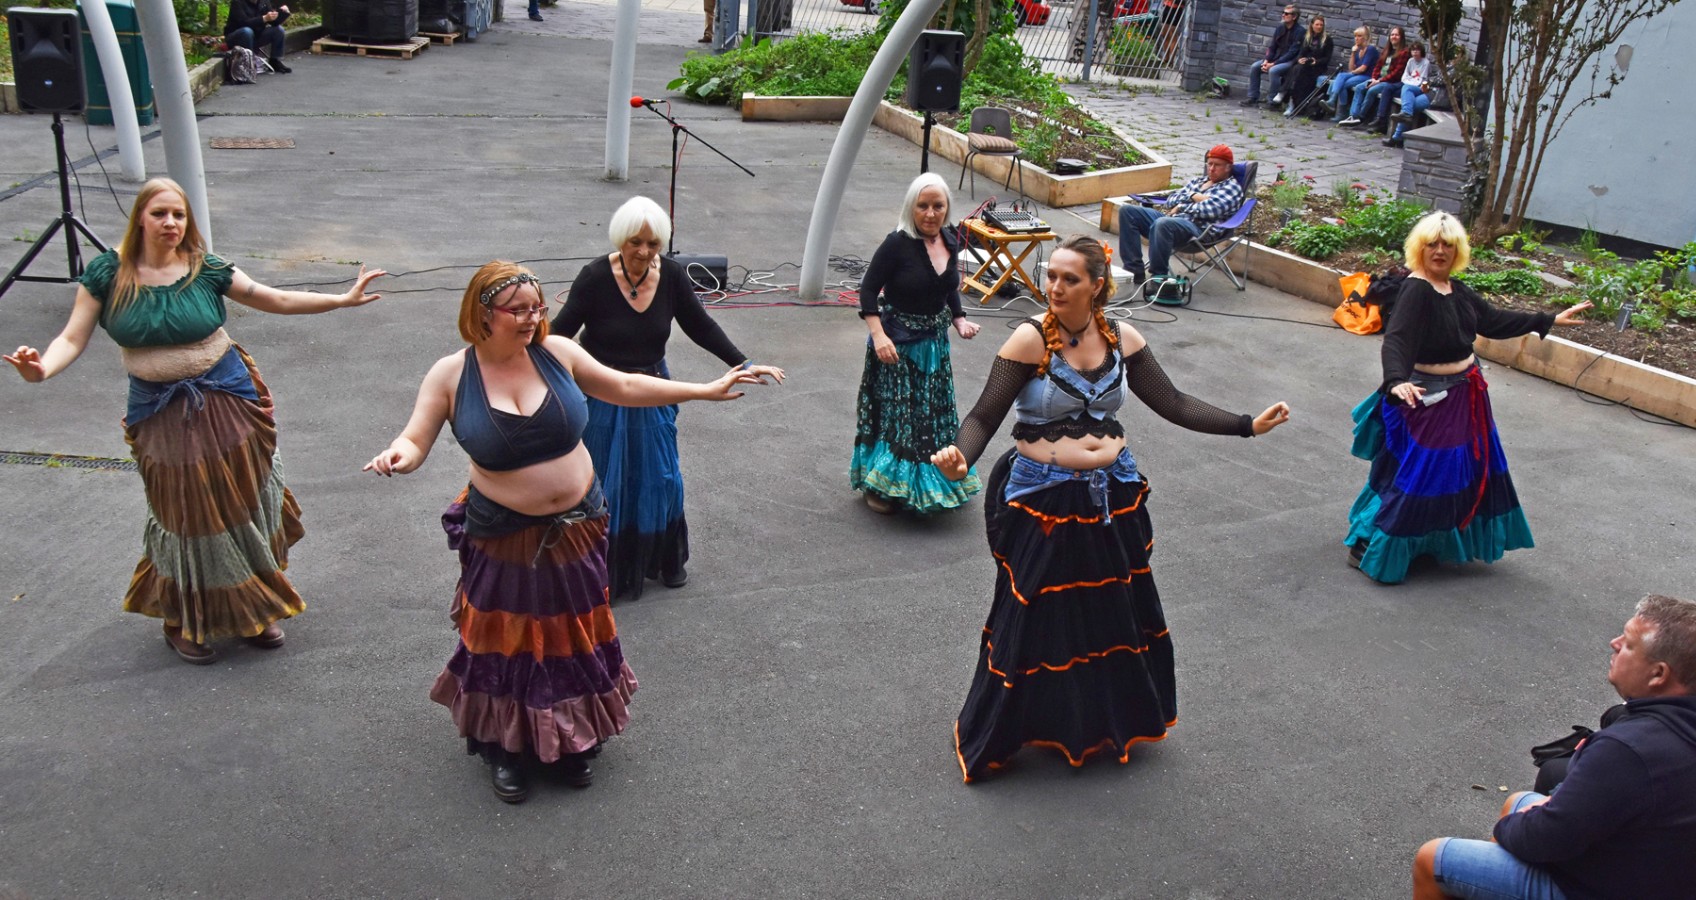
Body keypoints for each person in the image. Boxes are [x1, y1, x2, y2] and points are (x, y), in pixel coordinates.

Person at [365, 261, 769, 803]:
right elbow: (415, 439)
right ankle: (506, 748)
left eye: (537, 307)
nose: (532, 319)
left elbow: (624, 384)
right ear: (482, 314)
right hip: (505, 536)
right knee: (506, 642)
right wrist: (399, 455)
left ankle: (571, 737)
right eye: (517, 310)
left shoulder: (557, 353)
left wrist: (702, 390)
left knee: (572, 635)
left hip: (578, 526)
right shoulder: (451, 375)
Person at [931, 235, 1290, 783]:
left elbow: (1173, 402)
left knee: (1110, 613)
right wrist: (962, 458)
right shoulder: (1030, 339)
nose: (1054, 287)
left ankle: (1095, 723)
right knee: (1036, 616)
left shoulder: (1123, 338)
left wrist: (1246, 424)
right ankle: (1012, 726)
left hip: (1111, 494)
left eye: (1069, 279)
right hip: (1046, 497)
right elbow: (983, 417)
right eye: (1051, 276)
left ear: (1097, 286)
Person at [4, 177, 386, 664]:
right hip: (159, 410)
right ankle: (182, 618)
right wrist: (41, 370)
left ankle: (254, 607)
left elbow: (273, 298)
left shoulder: (205, 268)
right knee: (185, 515)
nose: (171, 223)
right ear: (140, 218)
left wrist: (340, 299)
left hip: (229, 397)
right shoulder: (108, 274)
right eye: (160, 213)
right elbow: (71, 338)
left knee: (243, 501)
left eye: (179, 215)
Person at [551, 197, 785, 601]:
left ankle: (660, 559)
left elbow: (701, 326)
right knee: (605, 479)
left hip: (654, 388)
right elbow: (558, 334)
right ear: (620, 239)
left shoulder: (672, 276)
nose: (644, 252)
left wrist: (744, 362)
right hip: (602, 392)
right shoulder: (594, 277)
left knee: (660, 478)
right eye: (635, 242)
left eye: (653, 244)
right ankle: (602, 567)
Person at [1343, 212, 1591, 584]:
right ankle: (1374, 542)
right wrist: (1396, 381)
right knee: (1422, 475)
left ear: (1457, 250)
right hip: (1426, 398)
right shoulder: (1416, 290)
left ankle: (1425, 541)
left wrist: (1547, 320)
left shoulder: (1455, 290)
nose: (1439, 251)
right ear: (1419, 248)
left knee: (1454, 473)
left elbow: (1493, 320)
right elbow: (1398, 340)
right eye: (1432, 244)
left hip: (1464, 395)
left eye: (1447, 245)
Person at [1413, 594, 1696, 900]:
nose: (1614, 644)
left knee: (1433, 858)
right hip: (1659, 873)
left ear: (1658, 674)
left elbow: (1546, 839)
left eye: (1628, 644)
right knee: (1518, 801)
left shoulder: (1627, 750)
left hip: (1607, 887)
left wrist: (1510, 827)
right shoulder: (1675, 729)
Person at [851, 173, 984, 515]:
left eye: (938, 206)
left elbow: (947, 286)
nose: (930, 213)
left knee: (932, 416)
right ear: (911, 207)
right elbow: (868, 290)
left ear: (947, 208)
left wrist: (959, 319)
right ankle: (882, 486)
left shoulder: (950, 239)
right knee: (900, 419)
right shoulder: (897, 244)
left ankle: (936, 475)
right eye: (923, 206)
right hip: (898, 347)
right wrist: (879, 335)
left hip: (934, 347)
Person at [1117, 144, 1244, 287]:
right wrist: (1193, 196)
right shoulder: (1197, 181)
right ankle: (1134, 270)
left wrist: (1181, 206)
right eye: (1210, 164)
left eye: (1217, 165)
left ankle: (1159, 279)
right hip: (1172, 222)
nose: (1212, 168)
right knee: (1127, 211)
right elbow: (1170, 200)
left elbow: (1210, 210)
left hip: (1198, 231)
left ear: (1228, 167)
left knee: (1163, 223)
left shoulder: (1232, 188)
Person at [1340, 26, 1408, 129]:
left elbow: (1397, 73)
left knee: (1371, 91)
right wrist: (1374, 78)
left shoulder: (1404, 52)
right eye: (1392, 34)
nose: (1394, 37)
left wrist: (1379, 81)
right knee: (1359, 87)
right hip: (1378, 79)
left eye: (1397, 35)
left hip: (1390, 82)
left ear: (1401, 37)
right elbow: (1377, 66)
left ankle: (1360, 117)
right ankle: (1353, 116)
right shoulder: (1387, 50)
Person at [1240, 4, 1302, 107]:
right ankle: (1252, 97)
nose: (1283, 15)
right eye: (1283, 13)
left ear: (1294, 17)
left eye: (1287, 14)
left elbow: (1292, 53)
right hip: (1277, 58)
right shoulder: (1280, 28)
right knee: (1255, 67)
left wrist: (1273, 64)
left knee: (1274, 70)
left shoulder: (1300, 32)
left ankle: (1272, 102)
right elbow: (1272, 47)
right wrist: (1266, 60)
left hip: (1290, 61)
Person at [1281, 14, 1334, 117]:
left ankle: (1286, 95)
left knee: (1298, 71)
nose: (1319, 27)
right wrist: (1300, 59)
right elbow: (1301, 53)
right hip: (1304, 66)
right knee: (1297, 69)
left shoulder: (1327, 40)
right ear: (1312, 25)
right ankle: (1292, 103)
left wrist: (1316, 61)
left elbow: (1327, 58)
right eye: (1317, 24)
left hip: (1317, 67)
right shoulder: (1307, 37)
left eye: (1321, 25)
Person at [1386, 44, 1437, 147]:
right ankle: (1398, 136)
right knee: (1409, 104)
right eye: (1413, 50)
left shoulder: (1426, 63)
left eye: (1417, 50)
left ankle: (1397, 137)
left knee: (1407, 99)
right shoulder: (1410, 61)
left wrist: (1411, 82)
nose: (1415, 52)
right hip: (1416, 87)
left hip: (1428, 92)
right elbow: (1405, 76)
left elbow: (1423, 80)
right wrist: (1410, 81)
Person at [1326, 26, 1379, 123]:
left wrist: (1351, 73)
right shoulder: (1358, 50)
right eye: (1355, 36)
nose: (1356, 38)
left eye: (1359, 36)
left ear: (1365, 37)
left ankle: (1339, 110)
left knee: (1342, 82)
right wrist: (1353, 53)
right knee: (1341, 76)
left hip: (1367, 77)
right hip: (1358, 75)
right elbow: (1351, 68)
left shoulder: (1370, 49)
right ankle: (1333, 102)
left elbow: (1363, 68)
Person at [223, 0, 291, 73]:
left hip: (256, 35)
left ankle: (275, 61)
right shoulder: (237, 2)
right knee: (247, 31)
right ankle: (248, 63)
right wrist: (264, 18)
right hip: (237, 37)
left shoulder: (264, 2)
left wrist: (283, 13)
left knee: (278, 30)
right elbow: (243, 23)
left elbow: (274, 22)